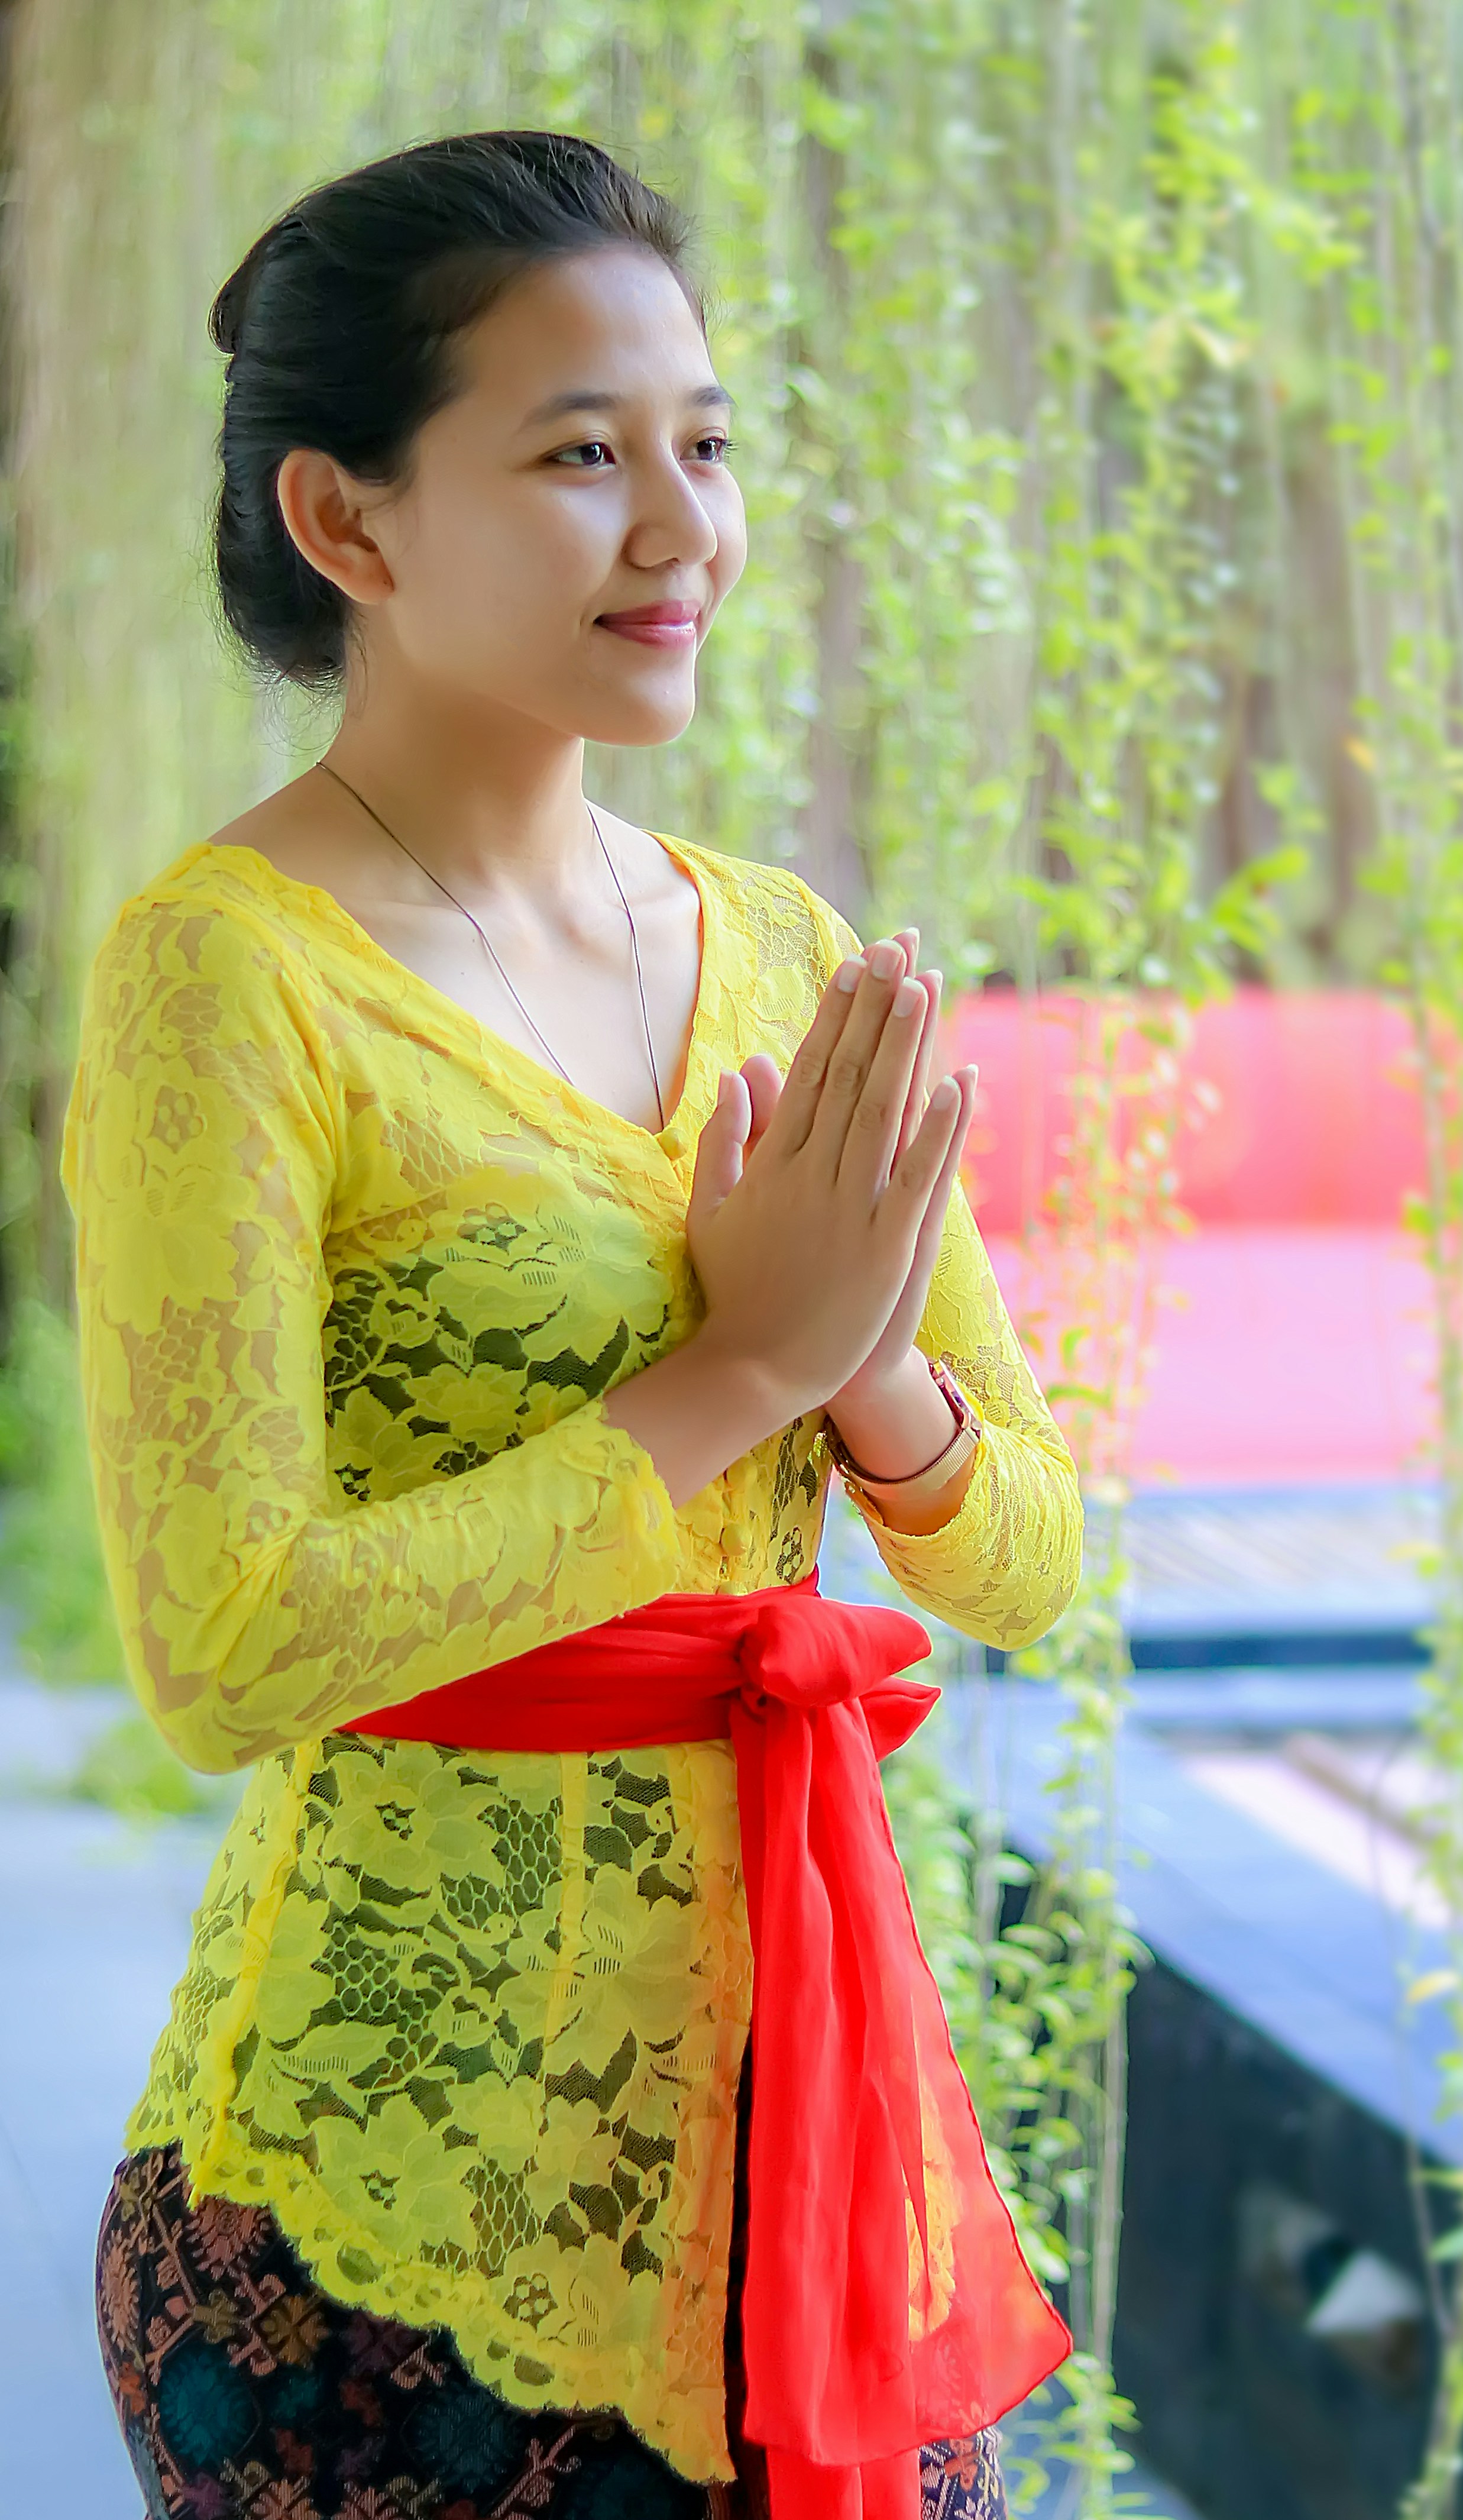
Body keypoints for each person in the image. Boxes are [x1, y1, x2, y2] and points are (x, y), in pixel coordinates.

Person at [67, 128, 1082, 2520]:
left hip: (806, 2146)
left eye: (707, 444)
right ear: (350, 524)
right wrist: (729, 1372)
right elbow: (223, 1646)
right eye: (580, 456)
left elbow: (1030, 1557)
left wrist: (866, 1369)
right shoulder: (225, 979)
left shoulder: (787, 942)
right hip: (372, 2221)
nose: (682, 528)